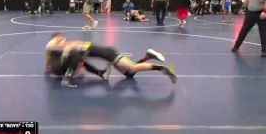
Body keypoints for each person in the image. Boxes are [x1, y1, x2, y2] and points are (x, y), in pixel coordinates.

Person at [45, 32, 176, 87]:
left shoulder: (73, 46)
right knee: (130, 74)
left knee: (132, 68)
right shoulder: (76, 47)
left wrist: (62, 46)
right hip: (109, 54)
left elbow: (77, 58)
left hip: (110, 54)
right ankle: (146, 56)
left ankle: (164, 68)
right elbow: (82, 63)